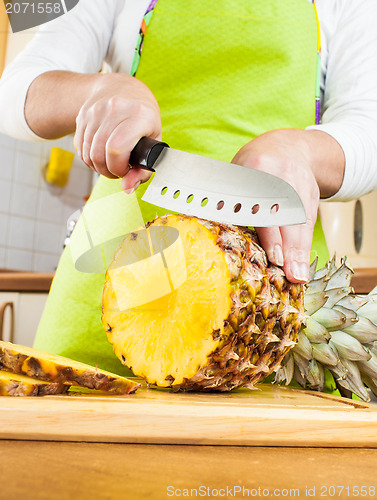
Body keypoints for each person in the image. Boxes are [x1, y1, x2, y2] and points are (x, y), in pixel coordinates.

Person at [1, 0, 377, 374]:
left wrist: (302, 149)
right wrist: (97, 90)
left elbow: (368, 127)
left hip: (269, 294)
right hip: (110, 270)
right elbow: (14, 91)